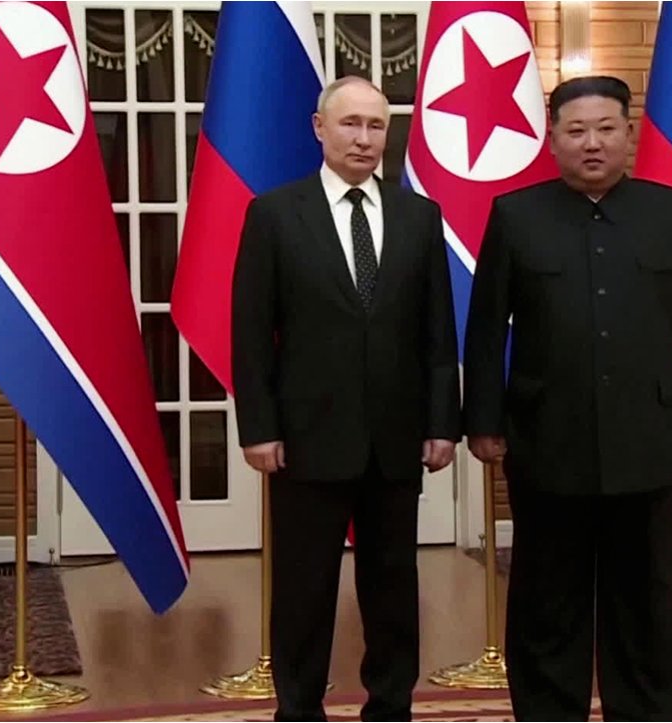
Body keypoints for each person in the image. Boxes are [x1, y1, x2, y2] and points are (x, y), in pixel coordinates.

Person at [462, 75, 672, 721]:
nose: (591, 143)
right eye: (576, 130)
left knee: (645, 594)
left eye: (606, 129)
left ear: (628, 134)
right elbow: (486, 327)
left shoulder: (671, 213)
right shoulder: (516, 216)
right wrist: (482, 420)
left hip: (648, 437)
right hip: (546, 439)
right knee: (547, 595)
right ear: (552, 139)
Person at [231, 75, 461, 722]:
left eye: (376, 125)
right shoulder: (275, 214)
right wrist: (259, 426)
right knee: (303, 591)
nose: (364, 138)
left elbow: (437, 331)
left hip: (396, 438)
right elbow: (251, 332)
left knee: (393, 589)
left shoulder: (419, 216)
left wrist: (443, 421)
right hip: (306, 439)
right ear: (319, 128)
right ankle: (299, 707)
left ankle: (390, 706)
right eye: (350, 123)